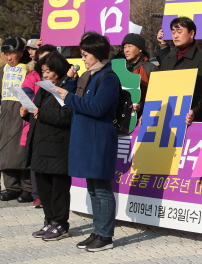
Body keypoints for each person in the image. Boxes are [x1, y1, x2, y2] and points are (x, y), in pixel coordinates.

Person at [53, 33, 119, 252]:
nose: (82, 59)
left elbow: (97, 108)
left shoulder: (108, 77)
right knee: (93, 189)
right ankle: (97, 231)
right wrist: (70, 83)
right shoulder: (89, 76)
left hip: (99, 139)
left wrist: (69, 97)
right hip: (87, 137)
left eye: (85, 54)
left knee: (102, 189)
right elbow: (79, 101)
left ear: (98, 54)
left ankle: (106, 235)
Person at [21, 52, 73, 241]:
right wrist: (26, 113)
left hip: (58, 146)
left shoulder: (67, 88)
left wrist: (39, 113)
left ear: (58, 70)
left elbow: (66, 116)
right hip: (40, 144)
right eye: (43, 71)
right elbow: (36, 112)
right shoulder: (44, 88)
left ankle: (61, 223)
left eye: (48, 71)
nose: (45, 75)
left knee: (58, 187)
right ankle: (49, 220)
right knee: (43, 187)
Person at [20, 44, 58, 208]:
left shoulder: (61, 77)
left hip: (53, 124)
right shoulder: (33, 75)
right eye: (42, 57)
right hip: (35, 122)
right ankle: (37, 194)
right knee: (36, 161)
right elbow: (25, 92)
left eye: (49, 57)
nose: (45, 61)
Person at [160, 17, 202, 122]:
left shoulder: (201, 60)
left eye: (179, 31)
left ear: (192, 34)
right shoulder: (168, 58)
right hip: (165, 116)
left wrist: (193, 112)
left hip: (186, 119)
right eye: (173, 32)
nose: (175, 35)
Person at [0, 37, 33, 202]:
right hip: (5, 113)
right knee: (5, 151)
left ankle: (27, 188)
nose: (8, 57)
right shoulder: (3, 70)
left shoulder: (28, 68)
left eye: (12, 53)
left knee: (21, 151)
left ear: (21, 52)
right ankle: (11, 187)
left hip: (22, 113)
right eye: (6, 54)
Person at [121, 33, 158, 118]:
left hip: (145, 117)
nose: (126, 50)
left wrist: (141, 104)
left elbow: (157, 96)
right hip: (124, 117)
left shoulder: (151, 68)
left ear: (140, 49)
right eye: (125, 47)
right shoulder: (123, 69)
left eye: (130, 46)